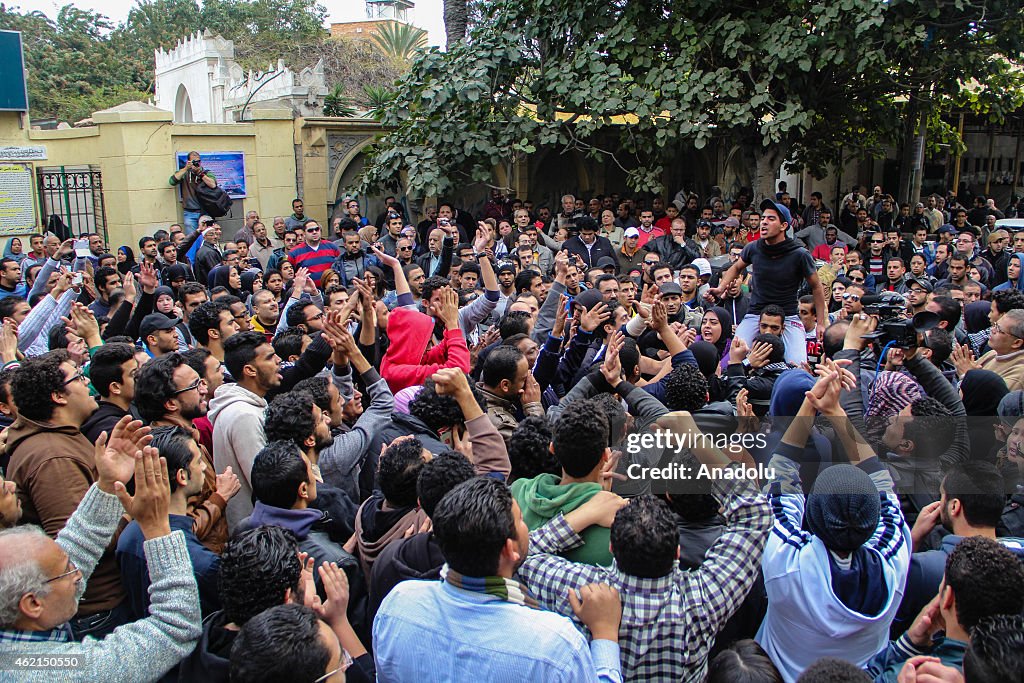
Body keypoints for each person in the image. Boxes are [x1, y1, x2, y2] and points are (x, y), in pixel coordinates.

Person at [518, 413, 772, 682]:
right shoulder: (701, 602)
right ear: (677, 552)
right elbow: (754, 514)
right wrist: (694, 437)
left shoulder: (582, 591)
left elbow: (522, 555)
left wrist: (586, 513)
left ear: (612, 547)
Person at [374, 476, 625, 682]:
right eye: (521, 520)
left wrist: (585, 515)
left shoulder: (397, 604)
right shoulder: (555, 647)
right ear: (507, 550)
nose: (526, 526)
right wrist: (604, 636)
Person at [756, 360, 911, 683]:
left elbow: (781, 473)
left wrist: (812, 407)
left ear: (809, 514)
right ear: (873, 521)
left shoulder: (786, 560)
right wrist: (835, 412)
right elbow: (881, 482)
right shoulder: (893, 556)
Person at [0, 443, 202, 681]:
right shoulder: (54, 670)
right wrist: (157, 527)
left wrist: (108, 486)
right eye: (67, 571)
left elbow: (67, 553)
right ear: (33, 603)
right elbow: (176, 627)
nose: (78, 573)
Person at [6, 354, 133, 639]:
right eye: (78, 377)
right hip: (98, 610)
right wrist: (134, 512)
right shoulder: (53, 457)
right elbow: (73, 544)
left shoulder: (59, 439)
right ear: (58, 396)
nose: (87, 383)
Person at [116, 426, 221, 620]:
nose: (205, 467)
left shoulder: (128, 536)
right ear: (182, 476)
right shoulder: (203, 563)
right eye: (198, 461)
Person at [706, 200, 826, 365]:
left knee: (798, 366)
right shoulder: (753, 248)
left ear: (783, 225)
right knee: (732, 360)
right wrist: (720, 288)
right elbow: (736, 267)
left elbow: (817, 287)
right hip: (756, 313)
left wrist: (821, 323)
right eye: (763, 218)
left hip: (788, 315)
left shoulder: (800, 254)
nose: (763, 222)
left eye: (771, 219)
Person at [169, 150, 218, 233]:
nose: (196, 163)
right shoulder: (184, 173)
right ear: (188, 161)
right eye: (194, 161)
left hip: (205, 211)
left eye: (198, 161)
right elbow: (172, 181)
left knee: (208, 237)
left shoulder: (206, 173)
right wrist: (186, 168)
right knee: (192, 239)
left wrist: (200, 173)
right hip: (190, 212)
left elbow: (213, 185)